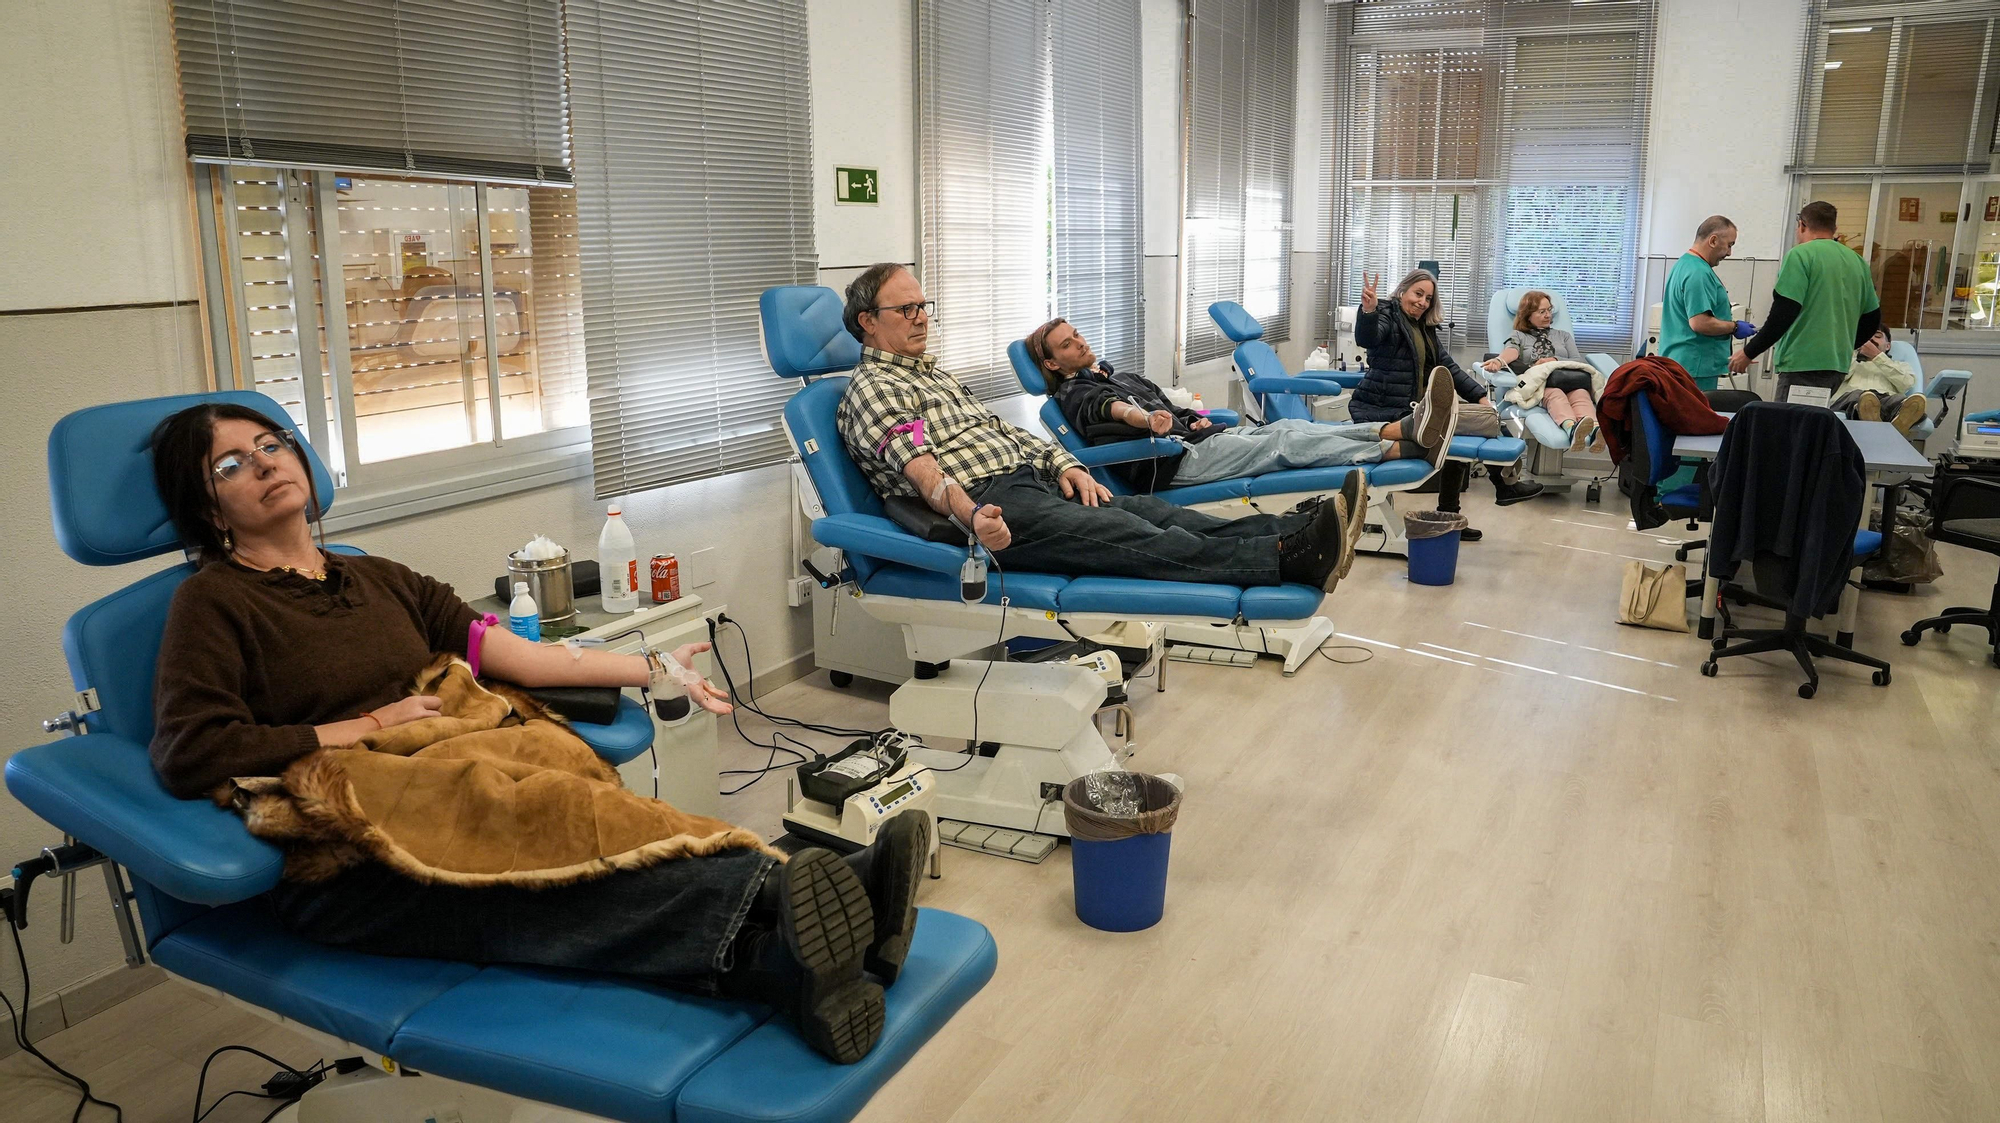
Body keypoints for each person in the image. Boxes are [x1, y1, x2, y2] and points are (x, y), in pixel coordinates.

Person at [146, 403, 930, 1065]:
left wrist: (649, 666)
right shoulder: (214, 603)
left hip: (462, 789)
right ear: (209, 507)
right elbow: (194, 748)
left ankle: (777, 959)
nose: (264, 463)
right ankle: (802, 894)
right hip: (361, 858)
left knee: (576, 819)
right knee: (554, 846)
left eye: (272, 445)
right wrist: (370, 725)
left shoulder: (377, 576)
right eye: (231, 465)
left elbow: (505, 651)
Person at [834, 263, 1359, 592]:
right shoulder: (875, 388)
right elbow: (922, 469)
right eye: (907, 308)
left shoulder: (935, 374)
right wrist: (972, 516)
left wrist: (1065, 462)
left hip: (1031, 483)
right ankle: (1287, 560)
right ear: (867, 322)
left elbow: (1005, 434)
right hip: (992, 502)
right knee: (1126, 533)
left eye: (924, 305)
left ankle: (1295, 532)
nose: (922, 317)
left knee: (1154, 514)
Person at [1028, 316, 1450, 496]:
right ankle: (1404, 445)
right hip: (1171, 464)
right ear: (1051, 363)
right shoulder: (1075, 395)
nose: (1080, 342)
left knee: (1297, 430)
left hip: (1198, 441)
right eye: (1067, 344)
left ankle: (1404, 432)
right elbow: (1113, 411)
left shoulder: (1115, 375)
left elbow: (1166, 408)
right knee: (1285, 440)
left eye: (1077, 334)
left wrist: (1189, 419)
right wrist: (1146, 419)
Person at [1352, 267, 1542, 542]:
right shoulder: (1386, 315)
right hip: (1383, 410)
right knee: (1458, 425)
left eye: (1428, 298)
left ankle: (1455, 514)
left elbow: (1448, 367)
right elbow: (1367, 338)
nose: (1422, 302)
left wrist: (1480, 398)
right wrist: (1368, 311)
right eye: (1418, 294)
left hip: (1414, 409)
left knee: (1479, 418)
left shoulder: (1424, 328)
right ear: (1403, 290)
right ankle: (1502, 487)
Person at [1731, 201, 1883, 401]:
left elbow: (1783, 313)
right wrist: (1843, 344)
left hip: (1803, 365)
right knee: (1813, 427)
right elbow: (1872, 318)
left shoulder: (1800, 255)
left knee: (1791, 428)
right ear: (1834, 229)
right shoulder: (1857, 262)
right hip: (1836, 366)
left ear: (1801, 225)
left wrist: (1748, 352)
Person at [1480, 289, 1604, 452]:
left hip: (1570, 380)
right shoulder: (1518, 335)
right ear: (1528, 315)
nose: (1548, 315)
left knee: (1581, 393)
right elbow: (1512, 351)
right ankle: (1572, 429)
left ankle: (1595, 431)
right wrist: (1499, 360)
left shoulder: (1563, 336)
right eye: (1542, 312)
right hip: (1542, 384)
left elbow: (1577, 360)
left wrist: (1553, 360)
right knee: (1555, 395)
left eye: (1549, 310)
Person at [1659, 215, 1752, 391]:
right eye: (1730, 245)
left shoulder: (1684, 265)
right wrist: (1734, 327)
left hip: (1683, 363)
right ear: (1713, 240)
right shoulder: (1698, 273)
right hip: (1694, 368)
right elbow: (1700, 323)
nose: (1730, 253)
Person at [1832, 327, 1927, 435]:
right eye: (1866, 336)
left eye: (1877, 336)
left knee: (1899, 400)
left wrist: (1877, 356)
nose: (1870, 339)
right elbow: (1837, 378)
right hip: (1851, 399)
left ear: (1888, 346)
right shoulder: (1847, 361)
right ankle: (1874, 417)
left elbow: (1906, 384)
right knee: (1861, 396)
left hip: (1885, 401)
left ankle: (1898, 419)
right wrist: (1854, 351)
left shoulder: (1900, 366)